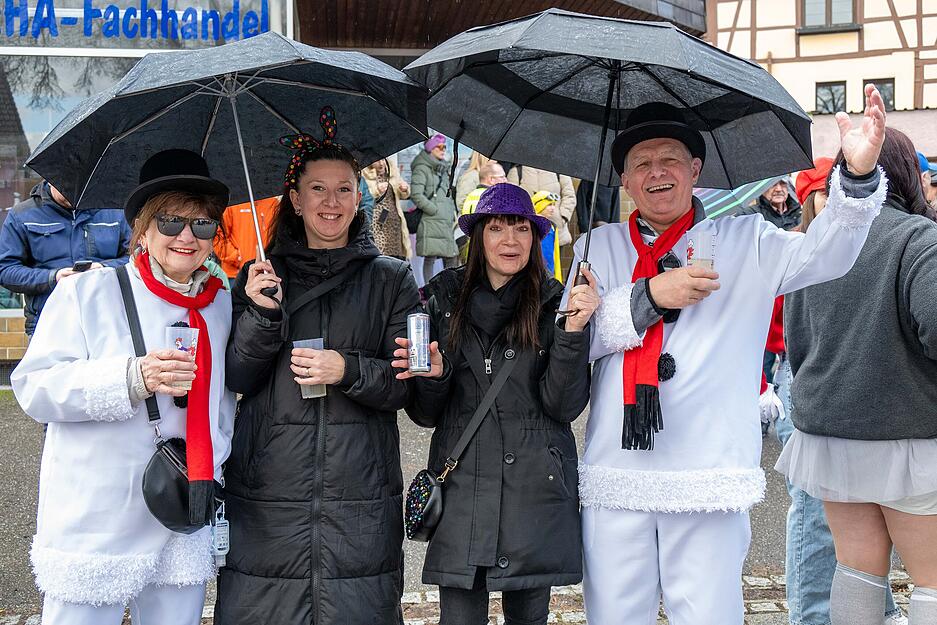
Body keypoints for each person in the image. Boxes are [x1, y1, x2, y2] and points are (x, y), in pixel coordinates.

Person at [566, 84, 887, 625]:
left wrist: (854, 179)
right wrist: (647, 299)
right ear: (623, 179)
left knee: (709, 614)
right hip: (617, 471)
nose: (656, 173)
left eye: (670, 159)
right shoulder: (594, 248)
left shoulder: (747, 241)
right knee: (613, 616)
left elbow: (826, 254)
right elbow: (573, 345)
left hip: (706, 470)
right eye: (641, 163)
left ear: (696, 169)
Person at [11, 149, 236, 625]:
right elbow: (34, 388)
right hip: (99, 514)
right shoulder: (88, 291)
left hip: (180, 513)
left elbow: (222, 406)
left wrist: (212, 470)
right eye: (172, 221)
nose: (187, 237)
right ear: (143, 227)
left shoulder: (219, 305)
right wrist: (131, 378)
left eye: (202, 225)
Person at [215, 118, 422, 625]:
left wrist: (346, 369)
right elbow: (237, 377)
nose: (331, 202)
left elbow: (402, 387)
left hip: (360, 488)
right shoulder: (260, 275)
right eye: (317, 190)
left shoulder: (391, 279)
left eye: (343, 190)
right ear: (295, 198)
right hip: (270, 483)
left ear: (359, 199)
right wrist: (262, 316)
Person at [395, 182, 596, 625]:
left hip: (535, 492)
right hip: (462, 488)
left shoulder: (556, 302)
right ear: (478, 237)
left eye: (521, 228)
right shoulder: (442, 300)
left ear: (534, 237)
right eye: (498, 228)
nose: (510, 240)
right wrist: (434, 376)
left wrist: (572, 334)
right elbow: (426, 414)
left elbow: (562, 406)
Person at [776, 127, 937, 625]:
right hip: (907, 433)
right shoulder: (918, 239)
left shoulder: (819, 241)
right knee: (932, 580)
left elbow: (795, 344)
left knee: (856, 572)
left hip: (832, 435)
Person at [0, 179, 132, 335]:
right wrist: (53, 277)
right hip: (48, 325)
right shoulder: (21, 216)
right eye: (67, 187)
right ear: (49, 179)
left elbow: (136, 259)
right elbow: (6, 270)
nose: (74, 193)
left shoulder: (115, 212)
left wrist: (104, 269)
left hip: (107, 323)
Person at [411, 133, 459, 281]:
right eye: (439, 147)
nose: (443, 149)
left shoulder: (441, 168)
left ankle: (447, 288)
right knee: (431, 257)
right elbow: (416, 194)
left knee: (450, 255)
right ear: (431, 148)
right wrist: (434, 210)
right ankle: (429, 291)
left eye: (444, 146)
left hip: (444, 221)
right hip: (432, 220)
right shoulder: (422, 168)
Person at [507, 165, 576, 247]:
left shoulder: (560, 171)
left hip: (556, 228)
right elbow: (511, 199)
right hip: (528, 227)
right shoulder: (517, 171)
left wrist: (563, 217)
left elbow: (569, 195)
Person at [213, 196, 279, 279]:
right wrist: (236, 257)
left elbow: (279, 235)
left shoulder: (273, 203)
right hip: (235, 275)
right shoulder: (233, 203)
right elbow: (217, 236)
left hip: (266, 272)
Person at [362, 156, 412, 260]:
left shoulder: (392, 172)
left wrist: (404, 189)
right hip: (377, 222)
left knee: (396, 255)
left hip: (394, 220)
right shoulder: (365, 175)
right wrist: (376, 191)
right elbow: (363, 197)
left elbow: (403, 195)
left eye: (383, 160)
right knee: (380, 255)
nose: (381, 164)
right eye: (377, 160)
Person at [738, 174, 803, 230]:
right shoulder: (750, 215)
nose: (779, 189)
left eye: (783, 183)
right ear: (762, 190)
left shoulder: (799, 213)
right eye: (773, 184)